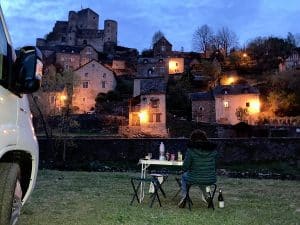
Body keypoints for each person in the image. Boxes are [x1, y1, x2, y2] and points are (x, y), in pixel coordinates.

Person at [178, 129, 217, 208]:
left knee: (184, 175)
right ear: (205, 139)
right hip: (210, 178)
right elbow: (215, 164)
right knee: (201, 177)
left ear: (192, 139)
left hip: (194, 177)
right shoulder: (213, 150)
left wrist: (185, 169)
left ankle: (184, 196)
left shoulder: (191, 150)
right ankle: (207, 197)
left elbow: (185, 167)